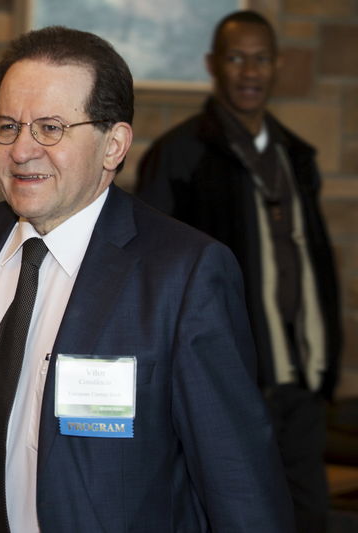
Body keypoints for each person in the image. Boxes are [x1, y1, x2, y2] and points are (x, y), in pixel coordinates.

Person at [0, 25, 293, 533]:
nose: (22, 150)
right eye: (8, 126)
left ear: (114, 145)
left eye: (50, 127)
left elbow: (238, 485)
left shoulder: (184, 275)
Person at [136, 10, 342, 533]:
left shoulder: (297, 156)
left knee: (307, 515)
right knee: (234, 517)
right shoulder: (178, 156)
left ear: (277, 66)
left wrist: (325, 368)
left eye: (261, 59)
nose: (250, 71)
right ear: (213, 65)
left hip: (300, 382)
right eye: (236, 58)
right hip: (225, 386)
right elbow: (149, 276)